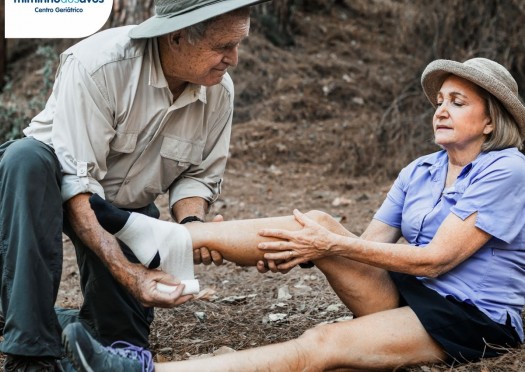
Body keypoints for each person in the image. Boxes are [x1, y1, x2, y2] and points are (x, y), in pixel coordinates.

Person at [62, 57, 525, 371]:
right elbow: (367, 248)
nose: (441, 109)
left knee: (323, 342)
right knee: (319, 221)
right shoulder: (421, 170)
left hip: (470, 316)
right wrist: (304, 250)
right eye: (440, 100)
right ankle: (172, 239)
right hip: (408, 293)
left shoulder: (507, 169)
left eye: (457, 102)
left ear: (490, 121)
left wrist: (329, 247)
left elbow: (439, 260)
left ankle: (146, 369)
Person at [0, 0, 270, 369]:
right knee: (25, 159)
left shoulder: (219, 91)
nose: (233, 59)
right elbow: (78, 183)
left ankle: (31, 320)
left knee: (121, 342)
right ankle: (30, 353)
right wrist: (129, 273)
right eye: (223, 46)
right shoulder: (98, 65)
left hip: (124, 208)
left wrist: (191, 228)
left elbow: (197, 176)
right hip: (51, 185)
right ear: (176, 38)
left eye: (238, 44)